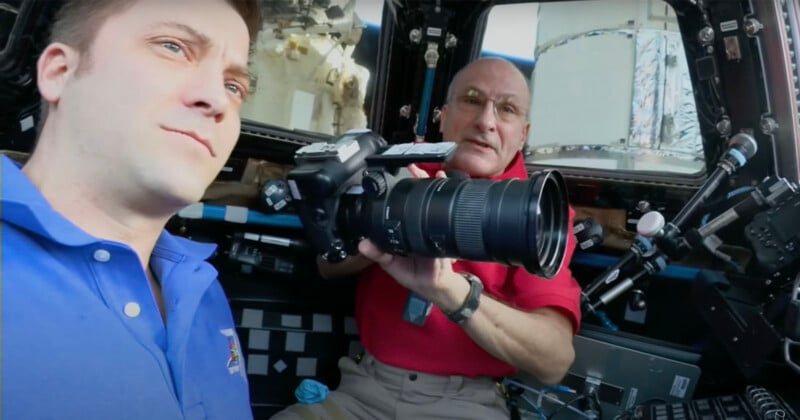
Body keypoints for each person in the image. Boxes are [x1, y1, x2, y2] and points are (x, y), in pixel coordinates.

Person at [271, 57, 582, 419]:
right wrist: (388, 229)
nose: (486, 122)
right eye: (471, 100)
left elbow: (554, 361)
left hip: (465, 404)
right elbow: (328, 265)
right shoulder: (399, 173)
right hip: (364, 388)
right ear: (444, 115)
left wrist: (451, 291)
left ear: (523, 133)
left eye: (507, 109)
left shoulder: (538, 212)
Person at [1, 1, 260, 419]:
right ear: (59, 72)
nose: (218, 100)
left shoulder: (199, 286)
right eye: (173, 47)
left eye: (234, 86)